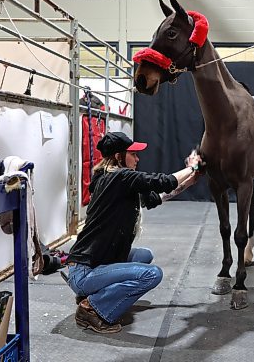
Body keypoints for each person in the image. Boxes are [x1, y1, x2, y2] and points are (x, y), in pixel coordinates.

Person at [66, 131, 202, 334]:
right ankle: (91, 309)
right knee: (151, 274)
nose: (138, 159)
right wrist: (191, 167)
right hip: (84, 271)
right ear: (119, 157)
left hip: (94, 260)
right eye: (133, 154)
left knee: (143, 255)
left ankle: (95, 293)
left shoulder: (112, 179)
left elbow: (159, 196)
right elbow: (164, 181)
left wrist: (190, 180)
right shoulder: (119, 177)